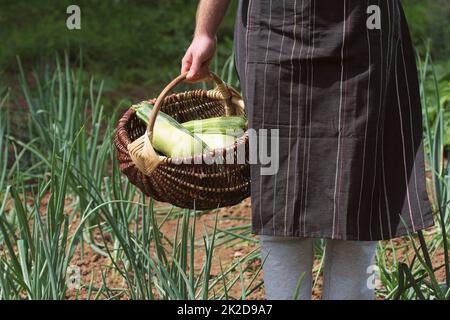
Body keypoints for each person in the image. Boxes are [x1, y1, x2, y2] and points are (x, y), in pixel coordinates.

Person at [181, 0, 434, 300]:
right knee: (281, 197)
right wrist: (204, 32)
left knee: (356, 200)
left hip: (362, 30)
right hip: (274, 30)